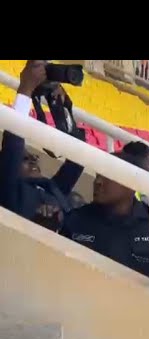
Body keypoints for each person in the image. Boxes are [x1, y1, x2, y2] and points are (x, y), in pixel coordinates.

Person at [0, 60, 85, 231]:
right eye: (24, 159)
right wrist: (25, 89)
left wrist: (63, 108)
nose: (33, 161)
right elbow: (13, 144)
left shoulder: (52, 187)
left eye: (33, 157)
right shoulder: (8, 188)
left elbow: (77, 160)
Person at [59, 151, 149, 280]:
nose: (98, 182)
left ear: (131, 184)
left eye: (107, 176)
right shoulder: (76, 220)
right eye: (97, 175)